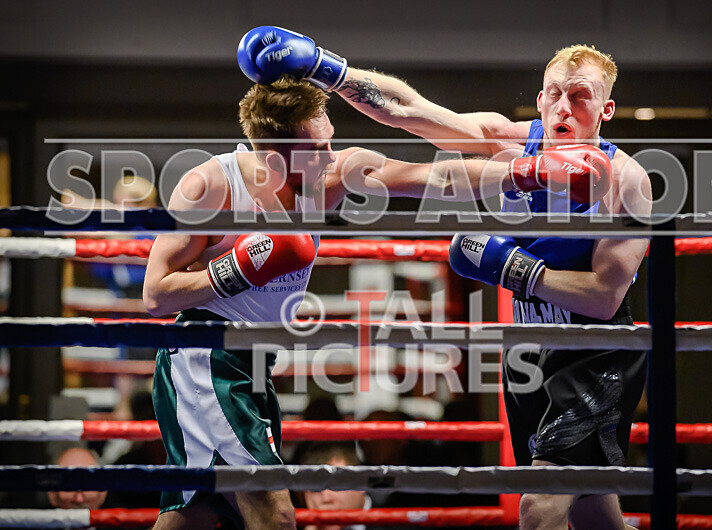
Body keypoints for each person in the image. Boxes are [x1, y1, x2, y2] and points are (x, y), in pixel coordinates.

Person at [238, 29, 651, 529]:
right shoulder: (510, 145)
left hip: (593, 354)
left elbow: (606, 298)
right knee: (593, 514)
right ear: (541, 100)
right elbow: (410, 110)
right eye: (556, 94)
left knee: (541, 505)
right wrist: (329, 68)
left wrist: (511, 269)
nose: (565, 107)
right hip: (528, 351)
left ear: (605, 109)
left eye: (581, 96)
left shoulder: (627, 179)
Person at [142, 77, 591, 530]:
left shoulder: (331, 174)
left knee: (195, 514)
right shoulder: (210, 185)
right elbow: (155, 294)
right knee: (273, 513)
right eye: (315, 149)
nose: (329, 155)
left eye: (328, 141)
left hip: (253, 363)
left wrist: (526, 172)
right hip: (203, 355)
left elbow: (432, 177)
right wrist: (235, 268)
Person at [299, 443, 370, 530]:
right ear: (306, 494)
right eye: (316, 488)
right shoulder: (294, 525)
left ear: (361, 483)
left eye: (336, 485)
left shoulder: (389, 518)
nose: (326, 498)